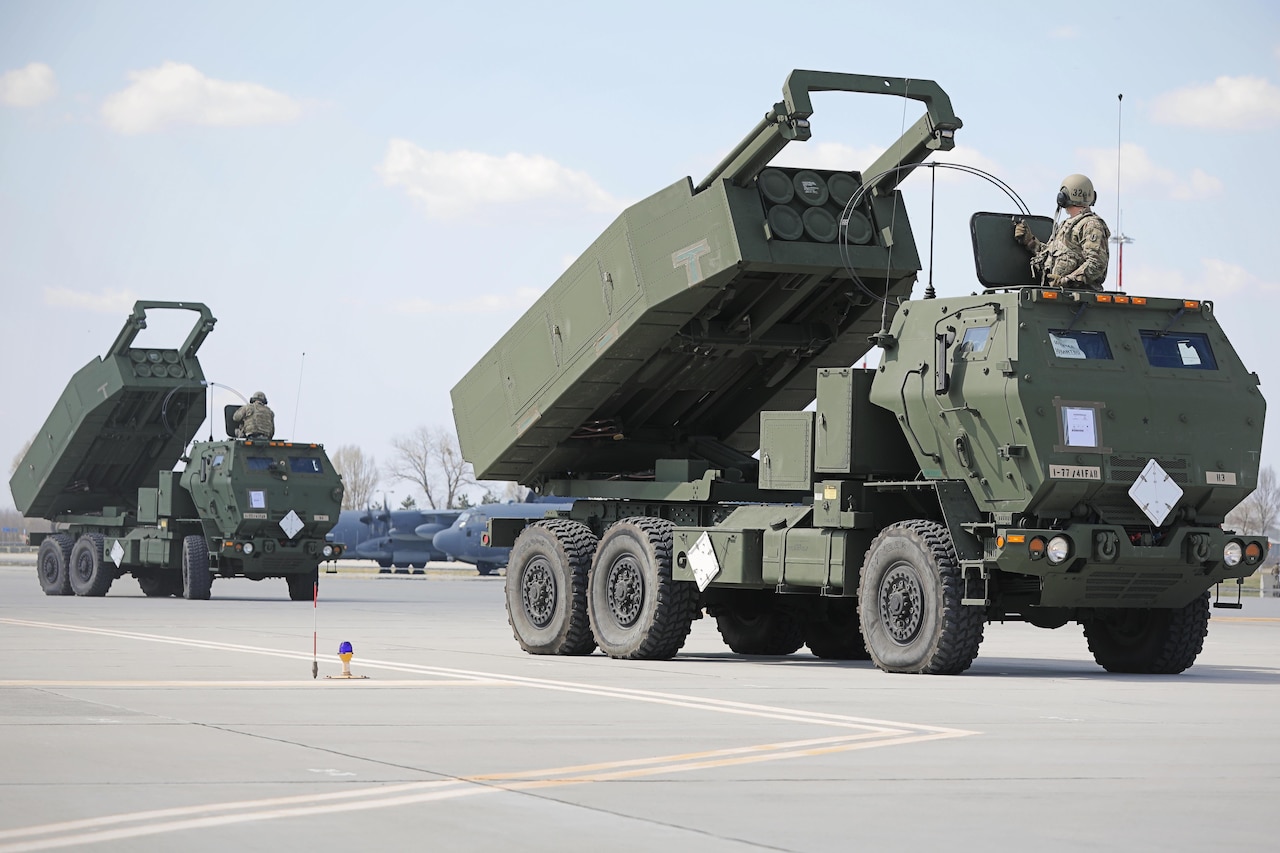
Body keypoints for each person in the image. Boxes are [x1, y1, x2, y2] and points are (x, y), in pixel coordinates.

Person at [1014, 173, 1111, 291]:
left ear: (1064, 196)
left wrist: (1065, 281)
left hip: (1077, 298)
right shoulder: (1067, 225)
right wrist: (1029, 241)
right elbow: (1050, 258)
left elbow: (1096, 264)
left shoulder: (1091, 225)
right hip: (1061, 295)